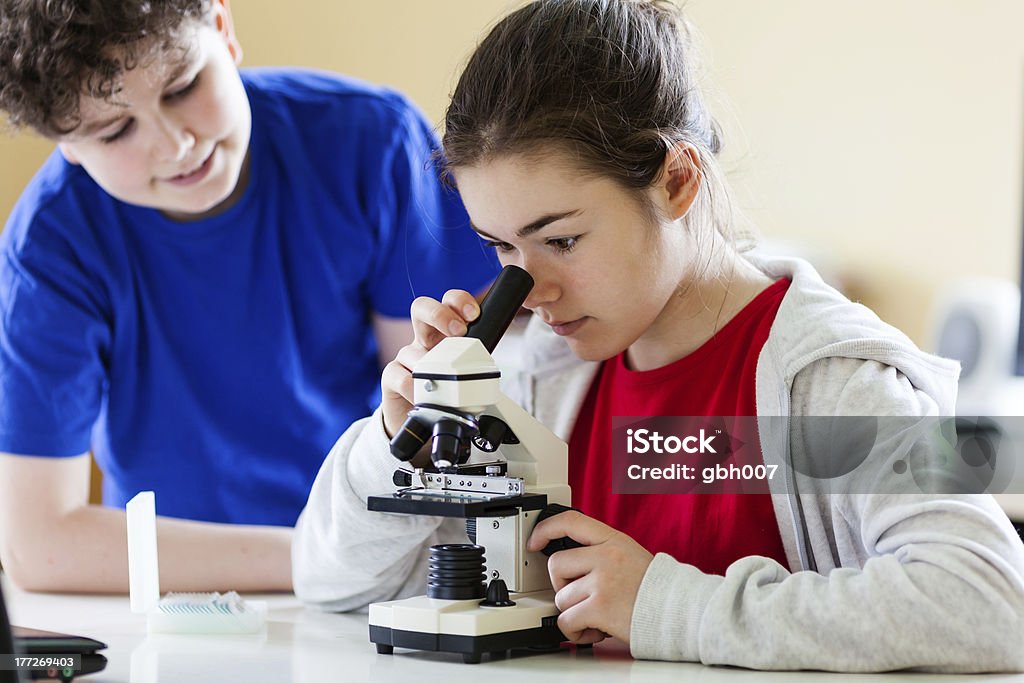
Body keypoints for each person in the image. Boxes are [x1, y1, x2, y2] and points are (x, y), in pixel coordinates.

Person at [291, 0, 1024, 671]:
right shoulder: (535, 378)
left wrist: (668, 605)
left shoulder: (835, 381)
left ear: (676, 179)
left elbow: (993, 598)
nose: (532, 289)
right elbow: (325, 579)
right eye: (503, 249)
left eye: (563, 240)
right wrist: (396, 446)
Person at [0, 0, 497, 594]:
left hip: (378, 572)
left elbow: (434, 415)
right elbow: (38, 546)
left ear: (222, 31)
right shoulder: (51, 249)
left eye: (183, 85)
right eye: (115, 130)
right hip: (180, 596)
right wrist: (322, 558)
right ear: (68, 144)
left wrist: (356, 557)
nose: (176, 142)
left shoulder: (371, 143)